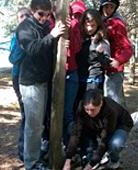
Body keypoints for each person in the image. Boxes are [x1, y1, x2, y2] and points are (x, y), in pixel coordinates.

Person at [15, 0, 66, 169]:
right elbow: (34, 49)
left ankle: (36, 158)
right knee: (33, 126)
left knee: (39, 124)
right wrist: (52, 35)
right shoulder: (24, 28)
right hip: (30, 84)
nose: (44, 18)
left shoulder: (42, 26)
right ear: (32, 11)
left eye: (47, 14)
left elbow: (48, 49)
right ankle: (31, 163)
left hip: (43, 82)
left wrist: (61, 44)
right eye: (40, 14)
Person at [62, 89, 134, 170]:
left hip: (119, 124)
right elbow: (76, 133)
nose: (89, 113)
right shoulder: (81, 107)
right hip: (96, 124)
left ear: (101, 104)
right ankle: (90, 155)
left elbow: (104, 140)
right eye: (87, 109)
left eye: (93, 110)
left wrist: (89, 166)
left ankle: (114, 160)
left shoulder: (110, 111)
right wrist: (68, 160)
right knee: (72, 128)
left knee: (115, 144)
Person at [75, 9, 111, 110]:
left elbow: (107, 64)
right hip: (80, 80)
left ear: (98, 25)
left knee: (92, 109)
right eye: (87, 25)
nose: (89, 28)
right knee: (78, 108)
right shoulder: (81, 39)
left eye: (93, 25)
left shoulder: (102, 42)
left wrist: (100, 55)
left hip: (94, 82)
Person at [99, 0, 133, 105]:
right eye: (106, 7)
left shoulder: (117, 23)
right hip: (100, 70)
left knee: (111, 103)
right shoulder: (100, 21)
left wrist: (118, 61)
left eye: (111, 7)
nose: (108, 10)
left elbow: (128, 48)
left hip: (113, 71)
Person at [62, 0, 87, 148]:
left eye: (80, 15)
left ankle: (69, 147)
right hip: (57, 73)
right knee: (55, 112)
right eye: (75, 14)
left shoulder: (77, 27)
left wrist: (72, 30)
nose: (77, 18)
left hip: (72, 73)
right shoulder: (58, 22)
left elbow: (76, 49)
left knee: (69, 113)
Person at [8, 7, 30, 162]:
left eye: (26, 15)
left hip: (31, 78)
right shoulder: (17, 35)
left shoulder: (35, 30)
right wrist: (26, 46)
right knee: (27, 116)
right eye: (20, 16)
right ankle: (23, 153)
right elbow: (13, 58)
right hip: (18, 78)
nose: (23, 18)